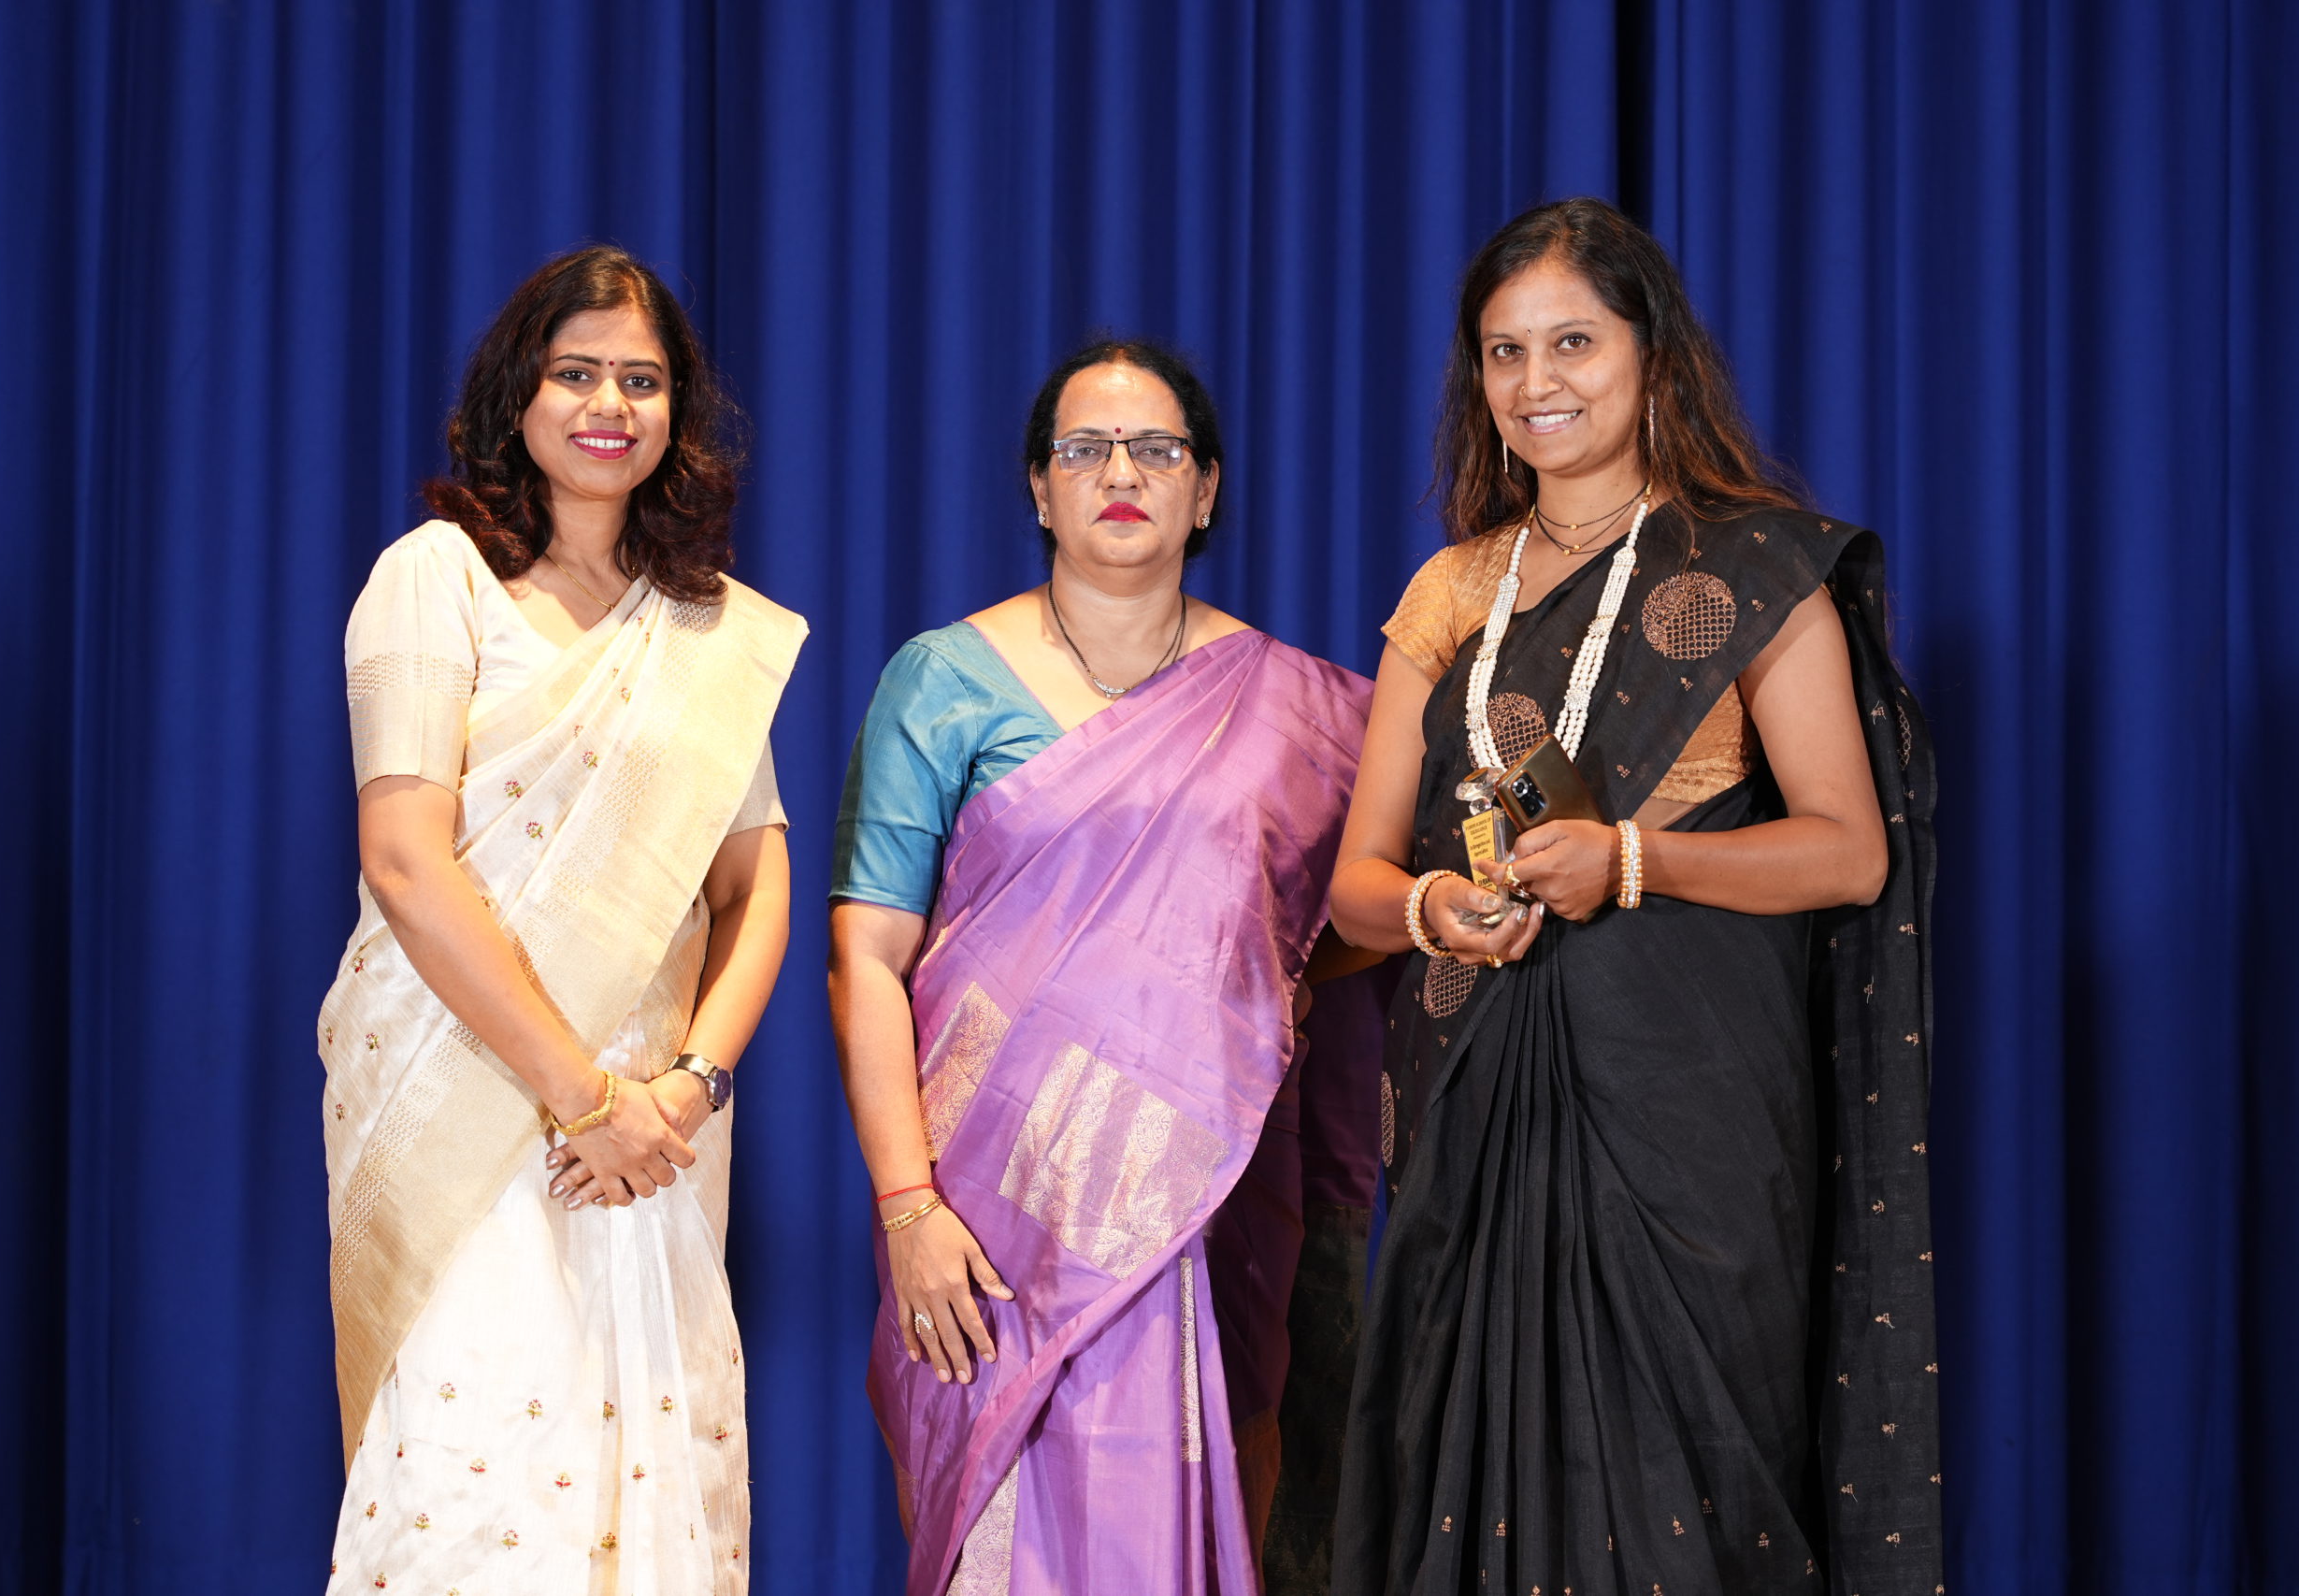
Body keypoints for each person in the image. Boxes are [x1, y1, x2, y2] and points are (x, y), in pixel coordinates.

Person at [1328, 198, 1941, 1596]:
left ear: (1651, 355)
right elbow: (1355, 885)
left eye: (1573, 343)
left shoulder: (1749, 566)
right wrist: (1433, 909)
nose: (1536, 382)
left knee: (1687, 1502)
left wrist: (1634, 862)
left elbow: (1848, 851)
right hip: (1476, 1106)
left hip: (1691, 1119)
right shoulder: (1451, 591)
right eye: (1503, 352)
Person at [828, 339, 1384, 1594]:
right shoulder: (943, 681)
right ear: (1040, 488)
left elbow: (1368, 909)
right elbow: (866, 955)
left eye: (1156, 449)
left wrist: (1259, 986)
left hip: (1205, 1200)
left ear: (1207, 488)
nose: (1120, 474)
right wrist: (909, 1207)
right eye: (1084, 449)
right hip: (983, 1215)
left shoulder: (1305, 713)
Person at [320, 245, 806, 1593]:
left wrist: (687, 1088)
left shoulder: (704, 629)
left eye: (642, 381)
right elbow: (406, 862)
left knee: (644, 1475)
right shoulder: (436, 578)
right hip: (472, 1100)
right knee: (477, 1485)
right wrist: (580, 1098)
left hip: (654, 1135)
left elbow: (755, 885)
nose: (610, 405)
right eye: (575, 372)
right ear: (516, 397)